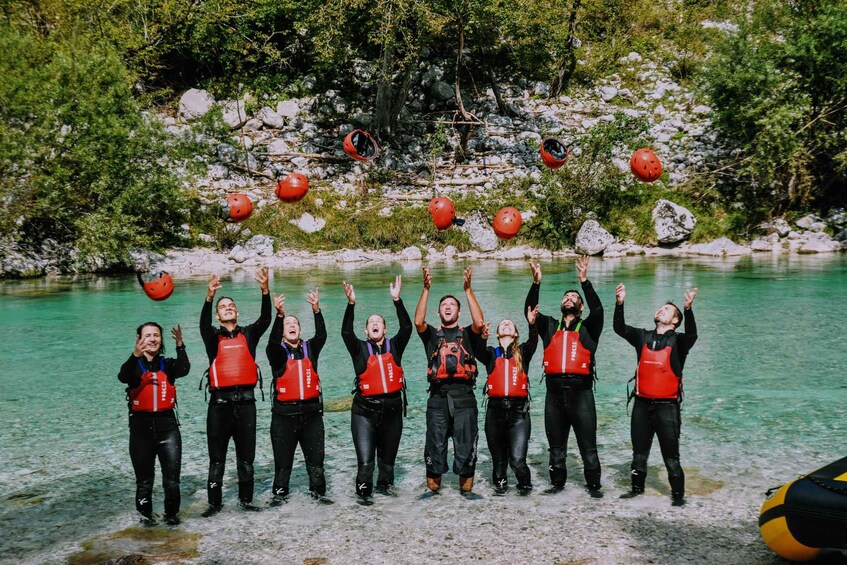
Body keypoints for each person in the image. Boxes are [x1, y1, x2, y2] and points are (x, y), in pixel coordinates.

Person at [525, 256, 605, 497]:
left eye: (574, 298)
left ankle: (594, 489)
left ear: (581, 308)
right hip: (554, 395)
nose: (569, 299)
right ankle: (557, 487)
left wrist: (584, 282)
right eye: (566, 297)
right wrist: (536, 284)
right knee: (556, 448)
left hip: (581, 395)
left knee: (588, 448)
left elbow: (599, 309)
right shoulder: (549, 326)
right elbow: (529, 310)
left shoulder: (590, 327)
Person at [614, 283, 698, 506]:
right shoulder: (642, 336)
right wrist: (619, 303)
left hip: (667, 408)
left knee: (671, 458)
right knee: (639, 453)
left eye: (667, 310)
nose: (661, 310)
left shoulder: (679, 342)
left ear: (675, 321)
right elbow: (619, 328)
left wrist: (688, 309)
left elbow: (692, 334)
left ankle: (678, 498)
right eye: (660, 308)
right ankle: (636, 490)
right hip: (641, 405)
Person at [199, 268, 271, 515]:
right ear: (218, 316)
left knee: (246, 459)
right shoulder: (212, 337)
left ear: (237, 312)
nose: (228, 308)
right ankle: (214, 505)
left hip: (246, 405)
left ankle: (246, 502)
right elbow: (202, 323)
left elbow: (266, 319)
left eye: (231, 305)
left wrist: (264, 291)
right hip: (219, 406)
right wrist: (209, 297)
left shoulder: (249, 334)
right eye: (223, 307)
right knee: (217, 460)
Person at [415, 267, 485, 494]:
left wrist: (468, 289)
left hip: (465, 400)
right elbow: (418, 321)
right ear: (438, 313)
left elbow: (480, 322)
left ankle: (465, 507)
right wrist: (426, 289)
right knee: (435, 454)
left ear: (459, 311)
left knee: (466, 456)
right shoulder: (432, 336)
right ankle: (435, 508)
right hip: (437, 400)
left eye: (452, 305)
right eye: (443, 305)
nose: (447, 307)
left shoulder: (469, 335)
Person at [341, 276, 413, 500]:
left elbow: (407, 327)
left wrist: (397, 300)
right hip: (364, 413)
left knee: (388, 466)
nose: (374, 324)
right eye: (371, 322)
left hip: (392, 413)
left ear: (384, 328)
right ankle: (363, 507)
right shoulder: (358, 348)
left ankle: (387, 511)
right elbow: (345, 332)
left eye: (378, 322)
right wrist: (351, 304)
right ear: (366, 330)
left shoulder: (396, 346)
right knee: (365, 465)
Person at [118, 322, 189, 525]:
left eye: (156, 335)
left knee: (172, 482)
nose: (152, 339)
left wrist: (180, 345)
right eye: (147, 335)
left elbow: (185, 369)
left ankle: (172, 521)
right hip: (141, 432)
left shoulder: (168, 365)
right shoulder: (134, 367)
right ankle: (146, 524)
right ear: (139, 339)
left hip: (168, 429)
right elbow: (123, 376)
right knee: (144, 483)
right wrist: (135, 354)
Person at [265, 286, 327, 501]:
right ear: (282, 331)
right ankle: (280, 509)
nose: (291, 326)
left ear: (300, 330)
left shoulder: (311, 349)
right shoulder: (277, 353)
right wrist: (279, 315)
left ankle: (319, 503)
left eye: (295, 324)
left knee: (316, 467)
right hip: (284, 417)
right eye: (287, 325)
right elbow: (271, 342)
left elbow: (322, 334)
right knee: (283, 468)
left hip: (312, 416)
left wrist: (316, 310)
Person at [473, 307, 539, 494]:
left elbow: (534, 341)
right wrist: (482, 337)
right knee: (499, 464)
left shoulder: (523, 351)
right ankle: (500, 499)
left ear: (516, 333)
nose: (506, 324)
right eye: (503, 324)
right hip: (495, 412)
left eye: (510, 324)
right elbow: (477, 351)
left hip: (519, 413)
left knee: (517, 461)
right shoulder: (490, 353)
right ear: (497, 333)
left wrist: (532, 324)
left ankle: (525, 490)